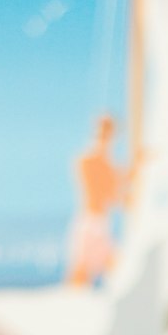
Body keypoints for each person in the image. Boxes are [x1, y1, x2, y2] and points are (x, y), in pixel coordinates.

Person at [64, 114, 142, 288]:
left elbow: (117, 188)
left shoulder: (100, 163)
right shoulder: (90, 161)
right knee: (83, 274)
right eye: (103, 133)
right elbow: (113, 190)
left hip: (97, 223)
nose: (105, 139)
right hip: (92, 223)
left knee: (106, 269)